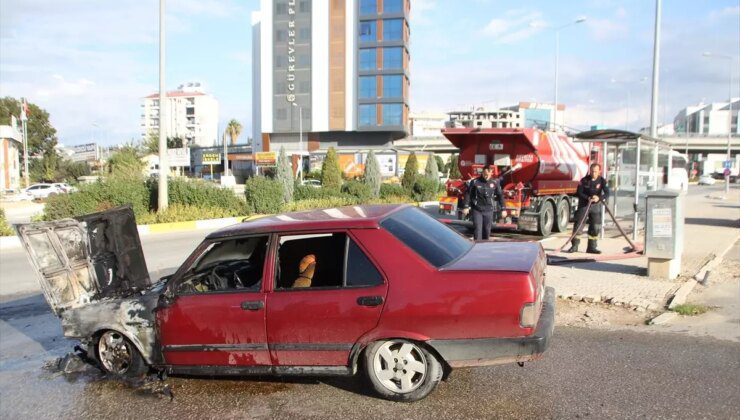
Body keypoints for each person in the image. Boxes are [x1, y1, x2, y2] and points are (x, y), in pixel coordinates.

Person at [568, 163, 610, 254]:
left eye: (595, 171)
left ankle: (592, 247)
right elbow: (579, 192)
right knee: (578, 225)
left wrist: (599, 198)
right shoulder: (584, 180)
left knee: (595, 227)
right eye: (592, 171)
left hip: (595, 206)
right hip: (584, 205)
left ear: (599, 171)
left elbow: (607, 193)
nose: (593, 173)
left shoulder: (602, 181)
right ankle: (574, 246)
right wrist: (588, 198)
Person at [461, 164, 505, 241]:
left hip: (488, 210)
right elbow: (468, 194)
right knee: (478, 230)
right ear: (482, 173)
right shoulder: (475, 182)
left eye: (488, 174)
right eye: (485, 174)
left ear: (491, 173)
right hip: (477, 210)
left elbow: (500, 195)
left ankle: (485, 248)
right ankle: (477, 249)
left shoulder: (495, 182)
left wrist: (503, 209)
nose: (486, 176)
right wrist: (466, 207)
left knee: (487, 231)